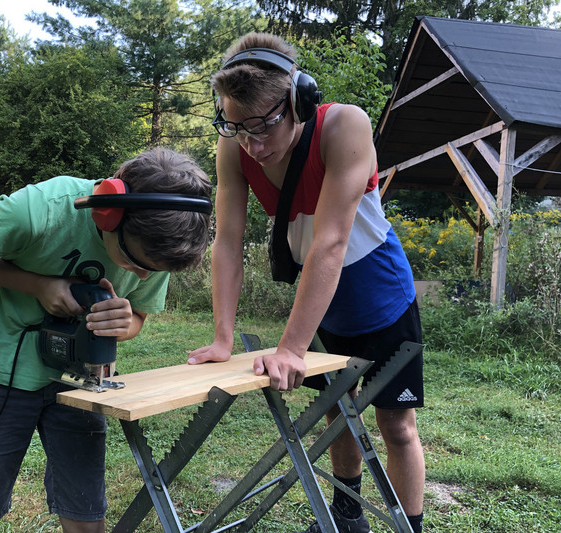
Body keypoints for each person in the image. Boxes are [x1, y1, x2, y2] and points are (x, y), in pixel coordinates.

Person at [186, 33, 425, 533]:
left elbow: (332, 241)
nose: (252, 143)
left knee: (395, 425)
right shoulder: (234, 147)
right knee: (335, 411)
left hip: (381, 296)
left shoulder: (345, 125)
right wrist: (222, 338)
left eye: (263, 126)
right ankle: (346, 518)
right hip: (320, 304)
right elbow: (227, 242)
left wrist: (291, 348)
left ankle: (412, 527)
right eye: (236, 126)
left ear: (299, 100)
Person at [0, 147, 212, 533]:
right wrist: (39, 285)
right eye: (135, 263)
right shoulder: (40, 209)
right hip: (2, 373)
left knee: (86, 510)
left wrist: (124, 322)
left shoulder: (158, 242)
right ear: (109, 212)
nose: (142, 277)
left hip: (84, 381)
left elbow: (138, 315)